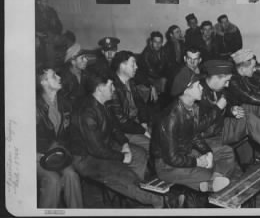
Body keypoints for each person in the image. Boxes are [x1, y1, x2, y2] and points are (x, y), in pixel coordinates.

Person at [73, 71, 174, 208]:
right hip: (88, 159)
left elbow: (115, 128)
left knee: (139, 155)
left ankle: (133, 195)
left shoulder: (105, 104)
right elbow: (96, 149)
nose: (113, 89)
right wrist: (121, 157)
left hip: (105, 148)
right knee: (122, 173)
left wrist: (125, 144)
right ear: (100, 88)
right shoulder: (87, 113)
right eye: (110, 86)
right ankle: (155, 200)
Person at [152, 68, 234, 193]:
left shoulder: (192, 108)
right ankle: (210, 182)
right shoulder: (170, 118)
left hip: (186, 154)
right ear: (186, 90)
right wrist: (197, 162)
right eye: (197, 86)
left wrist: (207, 152)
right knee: (207, 170)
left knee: (226, 153)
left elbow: (194, 135)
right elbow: (172, 158)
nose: (201, 88)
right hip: (167, 166)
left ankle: (210, 182)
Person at [36, 66, 83, 208]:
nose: (59, 77)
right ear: (43, 82)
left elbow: (70, 133)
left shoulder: (64, 103)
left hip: (58, 154)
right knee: (53, 180)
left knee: (71, 176)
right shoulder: (33, 106)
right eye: (54, 76)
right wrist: (47, 149)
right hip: (37, 156)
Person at [107, 51, 154, 153]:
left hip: (136, 125)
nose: (136, 67)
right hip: (124, 131)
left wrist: (144, 122)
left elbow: (140, 104)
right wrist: (142, 130)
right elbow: (121, 121)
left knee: (162, 137)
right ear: (122, 66)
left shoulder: (130, 81)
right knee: (153, 146)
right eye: (133, 64)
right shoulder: (112, 87)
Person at [59, 43, 91, 114]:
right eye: (82, 58)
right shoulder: (64, 78)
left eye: (85, 57)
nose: (86, 60)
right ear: (73, 62)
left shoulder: (86, 73)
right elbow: (63, 103)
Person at [35, 0, 64, 68]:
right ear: (38, 2)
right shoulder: (32, 12)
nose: (46, 3)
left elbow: (59, 24)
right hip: (40, 36)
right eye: (44, 1)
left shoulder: (51, 10)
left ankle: (63, 64)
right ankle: (51, 67)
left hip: (52, 34)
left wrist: (57, 34)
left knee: (66, 39)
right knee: (49, 44)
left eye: (47, 1)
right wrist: (36, 34)